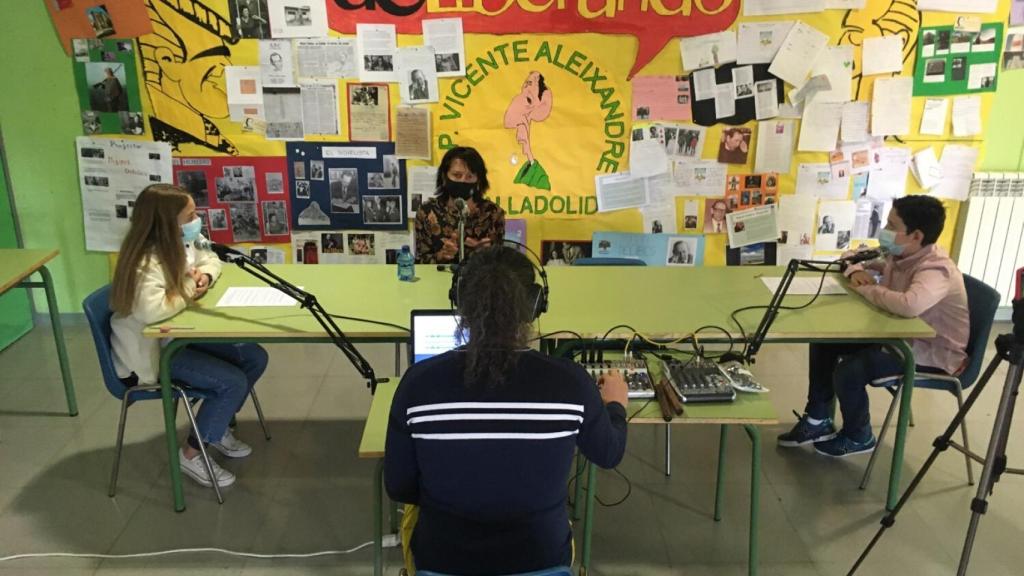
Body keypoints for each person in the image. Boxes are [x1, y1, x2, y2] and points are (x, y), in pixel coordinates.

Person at [385, 245, 628, 575]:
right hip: (541, 560)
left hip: (442, 561)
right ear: (536, 304)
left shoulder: (417, 384)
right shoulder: (570, 382)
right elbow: (609, 453)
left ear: (459, 303)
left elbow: (399, 487)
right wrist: (615, 405)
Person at [778, 195, 969, 457]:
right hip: (894, 336)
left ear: (915, 235)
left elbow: (908, 305)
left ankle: (859, 435)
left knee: (850, 371)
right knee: (825, 342)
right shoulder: (900, 254)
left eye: (892, 226)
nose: (884, 231)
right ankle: (817, 419)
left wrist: (869, 289)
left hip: (930, 355)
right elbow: (849, 256)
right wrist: (856, 271)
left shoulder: (935, 270)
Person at [109, 184, 268, 488]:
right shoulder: (145, 260)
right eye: (190, 214)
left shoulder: (180, 243)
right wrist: (188, 286)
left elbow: (209, 259)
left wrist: (203, 276)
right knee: (231, 381)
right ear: (167, 223)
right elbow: (153, 311)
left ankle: (215, 424)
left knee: (253, 356)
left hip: (176, 338)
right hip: (153, 356)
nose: (197, 219)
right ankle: (192, 454)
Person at [414, 146, 505, 264]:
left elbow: (501, 263)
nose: (463, 181)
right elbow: (420, 261)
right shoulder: (427, 212)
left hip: (479, 280)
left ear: (478, 181)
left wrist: (487, 254)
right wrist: (441, 255)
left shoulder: (493, 213)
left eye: (470, 176)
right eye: (457, 175)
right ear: (444, 176)